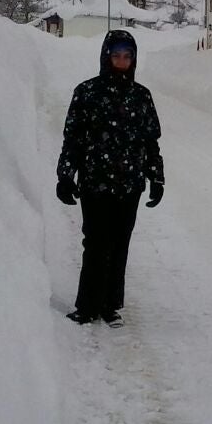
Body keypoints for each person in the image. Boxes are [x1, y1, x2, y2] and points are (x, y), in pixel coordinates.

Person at [56, 29, 164, 327]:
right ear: (106, 56)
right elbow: (73, 139)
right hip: (95, 182)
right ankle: (87, 305)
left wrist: (156, 177)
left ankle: (110, 305)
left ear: (133, 59)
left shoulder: (141, 96)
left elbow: (150, 142)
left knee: (119, 244)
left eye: (126, 56)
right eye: (115, 55)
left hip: (129, 185)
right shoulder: (87, 92)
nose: (121, 61)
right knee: (95, 243)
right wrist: (66, 175)